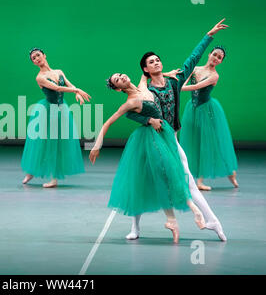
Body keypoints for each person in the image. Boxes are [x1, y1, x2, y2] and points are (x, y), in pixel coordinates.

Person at [124, 19, 229, 241]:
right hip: (150, 141)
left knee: (188, 180)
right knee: (140, 179)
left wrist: (208, 35)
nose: (156, 63)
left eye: (157, 60)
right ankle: (135, 227)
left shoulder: (175, 81)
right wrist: (147, 122)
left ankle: (212, 220)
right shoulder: (145, 89)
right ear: (145, 69)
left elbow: (193, 59)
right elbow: (130, 112)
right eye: (151, 62)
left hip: (170, 140)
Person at [90, 73, 206, 243]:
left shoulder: (143, 85)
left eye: (121, 75)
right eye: (117, 80)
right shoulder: (130, 102)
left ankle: (178, 217)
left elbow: (148, 73)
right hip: (148, 141)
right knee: (153, 178)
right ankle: (178, 216)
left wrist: (168, 73)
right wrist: (96, 145)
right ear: (118, 89)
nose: (121, 78)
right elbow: (107, 123)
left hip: (163, 136)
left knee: (171, 173)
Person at [21, 48, 90, 188]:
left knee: (57, 144)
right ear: (33, 63)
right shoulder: (40, 77)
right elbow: (57, 88)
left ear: (44, 55)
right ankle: (32, 172)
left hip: (61, 110)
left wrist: (75, 91)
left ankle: (52, 177)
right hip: (47, 111)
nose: (36, 58)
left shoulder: (59, 71)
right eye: (33, 58)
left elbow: (69, 84)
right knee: (41, 143)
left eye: (38, 55)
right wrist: (76, 90)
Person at [180, 46, 238, 190]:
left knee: (213, 143)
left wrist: (178, 88)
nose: (216, 58)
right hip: (192, 109)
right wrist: (178, 83)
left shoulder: (214, 76)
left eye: (219, 57)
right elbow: (184, 80)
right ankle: (193, 179)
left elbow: (197, 87)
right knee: (194, 142)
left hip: (207, 112)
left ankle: (230, 172)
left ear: (220, 62)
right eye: (215, 54)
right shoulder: (195, 69)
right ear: (209, 54)